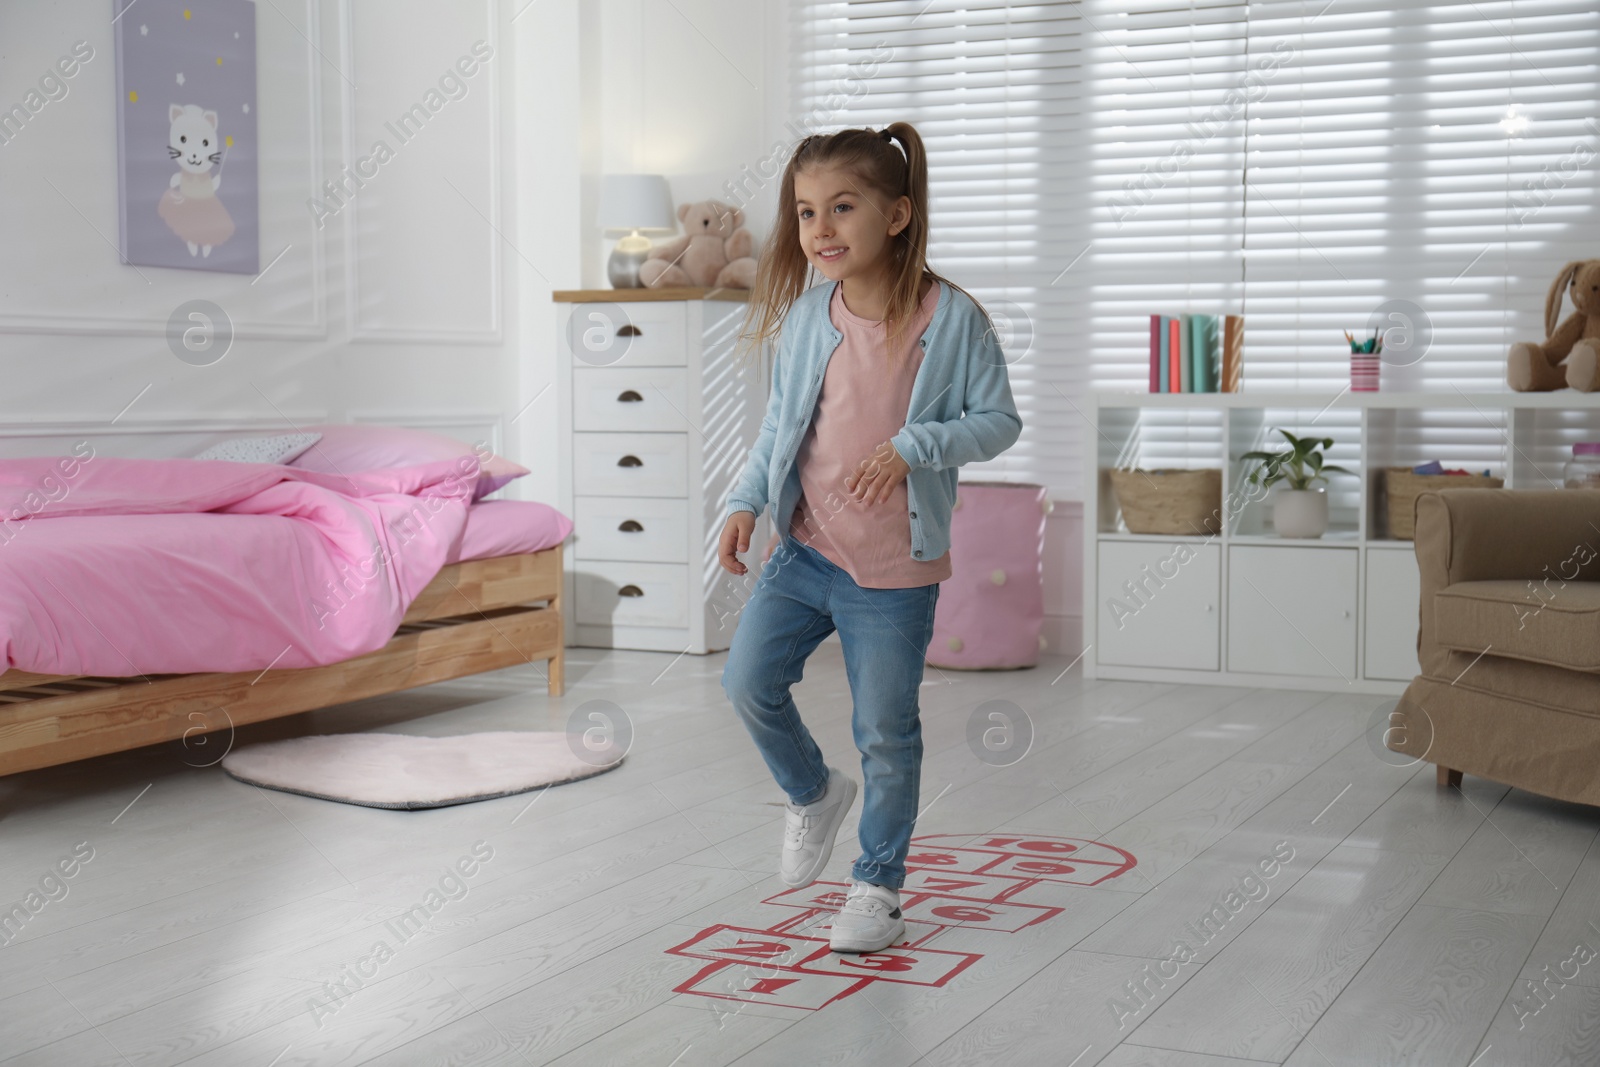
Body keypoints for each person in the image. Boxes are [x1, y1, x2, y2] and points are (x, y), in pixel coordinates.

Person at [717, 122, 1023, 954]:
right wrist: (746, 501)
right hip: (806, 550)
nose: (819, 228)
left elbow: (999, 422)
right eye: (807, 210)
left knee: (886, 731)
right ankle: (814, 792)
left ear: (895, 215)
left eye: (841, 207)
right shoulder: (808, 317)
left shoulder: (953, 319)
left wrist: (915, 447)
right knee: (747, 682)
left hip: (892, 570)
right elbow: (780, 425)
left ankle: (877, 885)